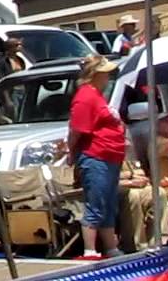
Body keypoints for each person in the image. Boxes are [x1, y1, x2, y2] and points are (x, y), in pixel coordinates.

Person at [67, 55, 125, 260]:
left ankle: (111, 247)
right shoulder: (85, 96)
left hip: (110, 156)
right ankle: (90, 250)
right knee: (96, 203)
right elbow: (76, 130)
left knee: (109, 204)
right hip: (95, 156)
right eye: (106, 74)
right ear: (95, 75)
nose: (108, 78)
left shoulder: (97, 96)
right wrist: (71, 154)